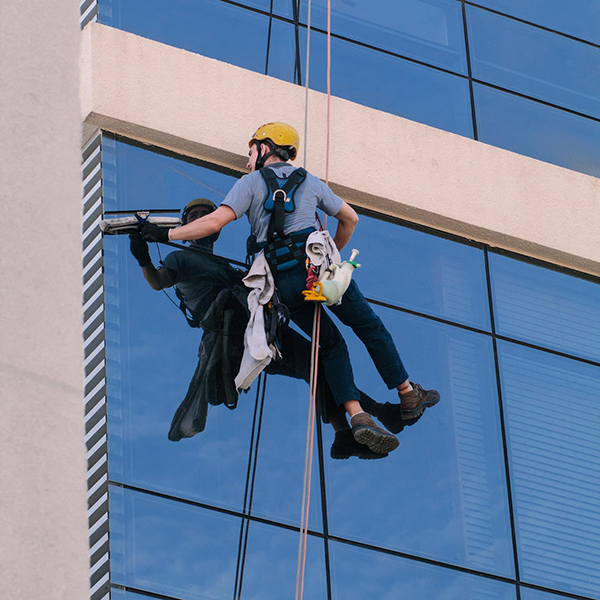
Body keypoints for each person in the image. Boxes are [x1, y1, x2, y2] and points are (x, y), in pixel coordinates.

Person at [139, 123, 440, 457]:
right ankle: (407, 392)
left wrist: (162, 234)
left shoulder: (249, 185)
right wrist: (331, 260)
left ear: (266, 147)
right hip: (317, 271)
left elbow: (215, 222)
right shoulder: (310, 182)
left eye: (251, 150)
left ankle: (357, 416)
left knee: (329, 347)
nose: (248, 158)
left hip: (283, 284)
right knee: (369, 327)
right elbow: (350, 219)